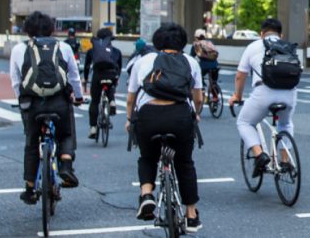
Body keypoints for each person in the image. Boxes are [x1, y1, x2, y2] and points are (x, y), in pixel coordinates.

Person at [126, 23, 203, 233]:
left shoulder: (143, 61)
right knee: (184, 163)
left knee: (148, 158)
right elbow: (198, 98)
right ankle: (191, 215)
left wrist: (129, 120)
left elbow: (131, 98)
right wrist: (196, 114)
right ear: (183, 42)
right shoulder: (190, 62)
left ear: (157, 41)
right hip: (180, 116)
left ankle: (146, 195)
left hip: (148, 116)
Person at [9, 11, 84, 204]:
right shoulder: (64, 47)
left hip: (32, 104)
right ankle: (66, 164)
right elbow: (74, 76)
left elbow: (16, 80)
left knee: (32, 142)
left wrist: (21, 100)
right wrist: (78, 96)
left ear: (28, 30)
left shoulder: (19, 49)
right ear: (51, 29)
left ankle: (29, 187)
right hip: (59, 102)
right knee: (66, 133)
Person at [230, 18, 297, 176]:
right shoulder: (288, 47)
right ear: (281, 34)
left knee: (244, 122)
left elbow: (240, 76)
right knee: (285, 124)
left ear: (261, 34)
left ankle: (259, 155)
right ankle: (285, 161)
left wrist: (237, 96)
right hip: (289, 93)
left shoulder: (253, 46)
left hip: (264, 92)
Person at [83, 28, 123, 139]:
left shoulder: (92, 51)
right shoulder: (116, 51)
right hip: (111, 75)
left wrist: (85, 79)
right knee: (110, 85)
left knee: (95, 101)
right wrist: (117, 78)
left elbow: (86, 67)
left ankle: (93, 128)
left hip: (97, 76)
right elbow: (119, 67)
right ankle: (112, 101)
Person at [189, 29, 220, 101]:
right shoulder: (209, 42)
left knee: (198, 77)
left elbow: (191, 56)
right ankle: (215, 97)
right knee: (213, 82)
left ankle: (202, 92)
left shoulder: (196, 44)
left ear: (196, 37)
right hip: (215, 65)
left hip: (204, 66)